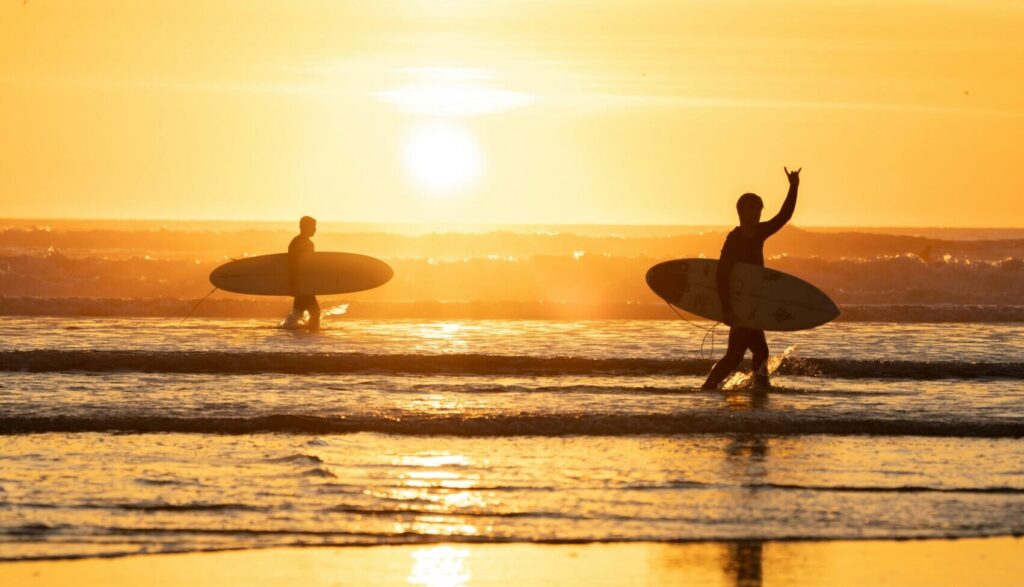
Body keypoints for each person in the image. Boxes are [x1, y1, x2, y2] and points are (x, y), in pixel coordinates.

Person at [701, 167, 801, 390]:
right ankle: (752, 387)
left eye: (759, 209)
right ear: (741, 211)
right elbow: (722, 274)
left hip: (753, 304)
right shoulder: (734, 240)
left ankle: (754, 386)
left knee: (745, 354)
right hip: (740, 306)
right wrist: (727, 308)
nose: (757, 213)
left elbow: (783, 216)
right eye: (753, 209)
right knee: (741, 355)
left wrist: (793, 187)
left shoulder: (759, 232)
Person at [285, 215, 321, 331]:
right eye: (314, 226)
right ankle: (310, 335)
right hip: (303, 284)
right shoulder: (301, 243)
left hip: (303, 283)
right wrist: (294, 283)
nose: (315, 229)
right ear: (306, 227)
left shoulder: (299, 241)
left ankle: (291, 331)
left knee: (297, 313)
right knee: (314, 312)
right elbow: (293, 264)